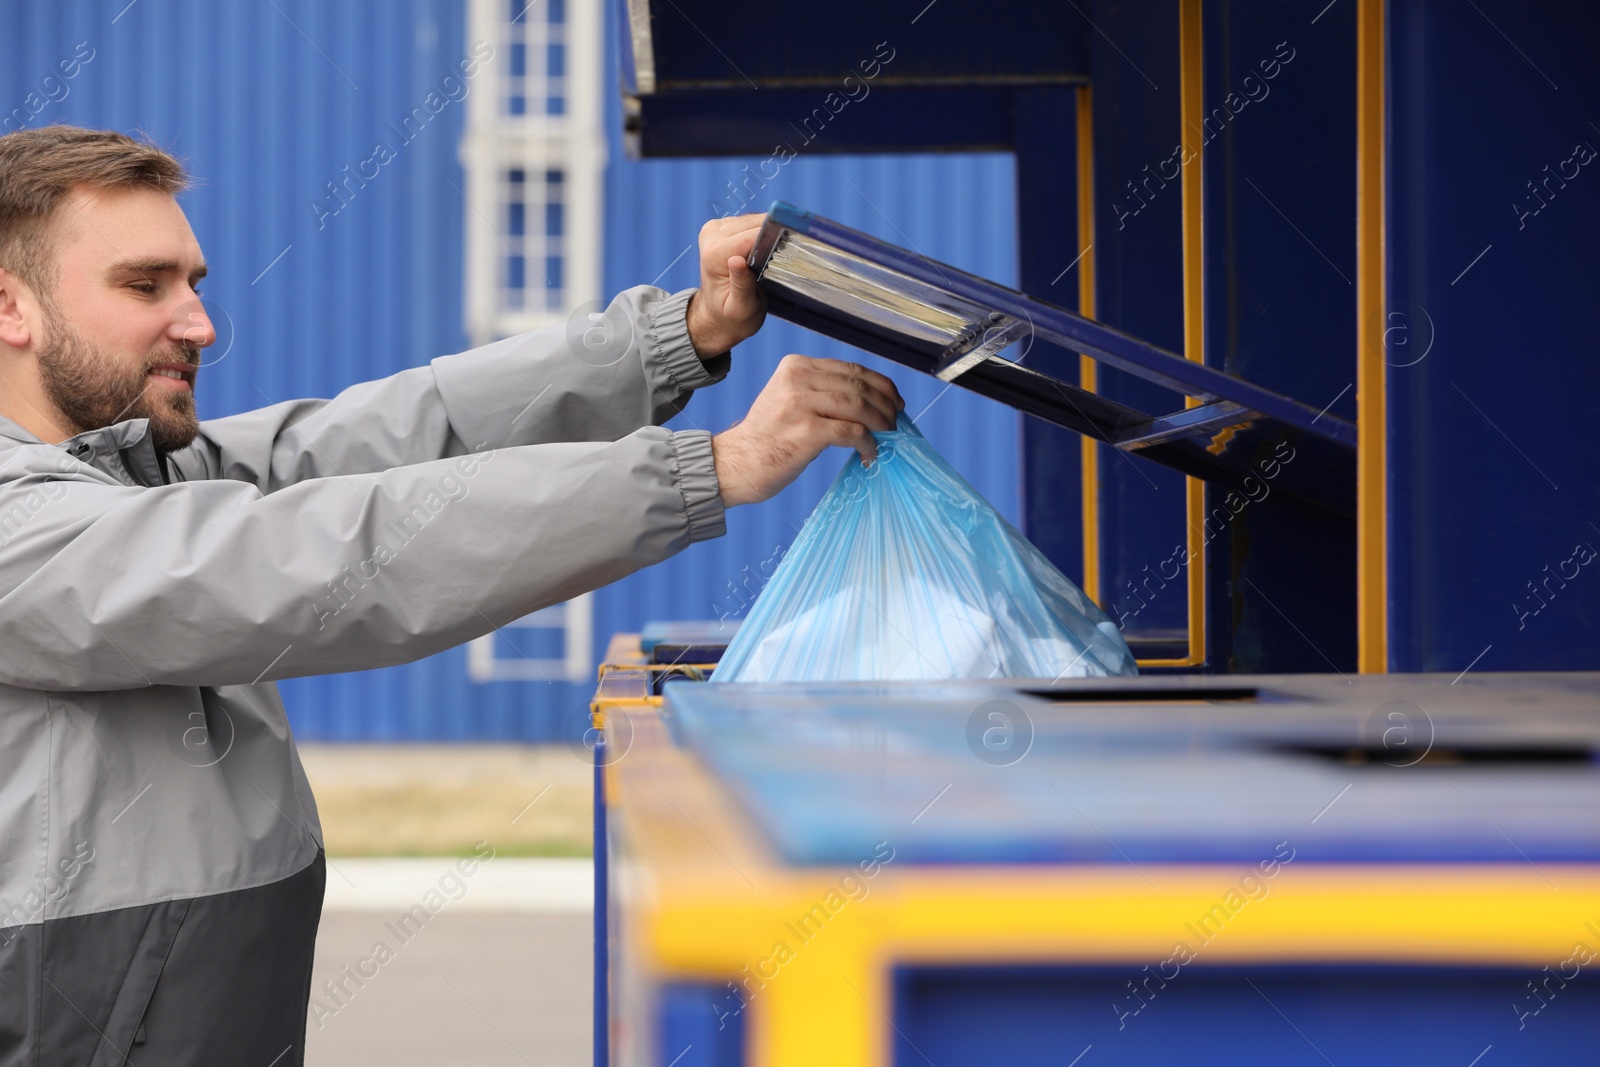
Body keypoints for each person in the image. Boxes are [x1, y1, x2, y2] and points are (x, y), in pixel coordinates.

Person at [0, 125, 903, 1065]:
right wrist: (710, 468)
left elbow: (389, 436)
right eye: (145, 286)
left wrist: (682, 333)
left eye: (194, 283)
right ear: (10, 309)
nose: (200, 323)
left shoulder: (139, 475)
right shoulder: (22, 530)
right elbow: (305, 558)